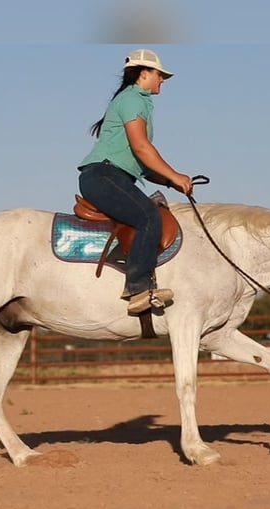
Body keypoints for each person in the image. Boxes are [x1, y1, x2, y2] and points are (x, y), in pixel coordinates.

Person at [78, 48, 194, 315]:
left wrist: (169, 182)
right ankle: (138, 290)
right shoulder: (133, 99)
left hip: (112, 175)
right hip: (105, 175)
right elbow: (142, 148)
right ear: (144, 73)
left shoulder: (136, 101)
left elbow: (139, 161)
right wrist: (174, 174)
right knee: (149, 217)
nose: (162, 80)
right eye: (159, 74)